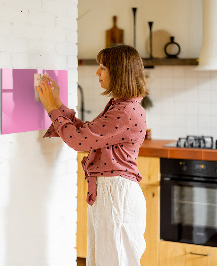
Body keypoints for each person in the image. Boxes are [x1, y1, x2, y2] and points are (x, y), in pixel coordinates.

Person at [36, 44, 148, 266]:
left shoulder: (125, 111)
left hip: (116, 195)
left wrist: (51, 108)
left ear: (119, 72)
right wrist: (57, 104)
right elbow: (87, 133)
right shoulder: (121, 106)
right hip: (111, 193)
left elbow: (79, 141)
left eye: (103, 67)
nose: (97, 72)